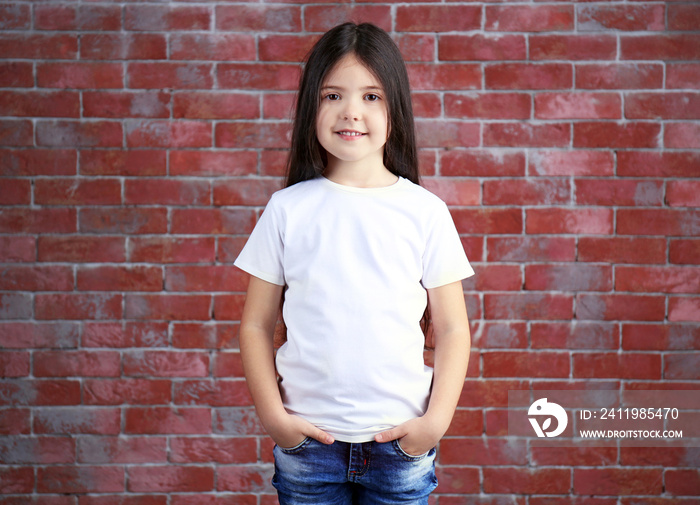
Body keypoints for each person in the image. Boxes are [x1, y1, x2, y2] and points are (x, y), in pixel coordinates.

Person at [234, 22, 474, 505]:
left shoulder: (425, 212)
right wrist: (276, 421)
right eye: (332, 96)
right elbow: (256, 325)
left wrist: (434, 425)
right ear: (312, 107)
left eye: (371, 97)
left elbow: (452, 329)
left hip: (399, 445)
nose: (350, 112)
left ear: (395, 110)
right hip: (309, 445)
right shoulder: (288, 209)